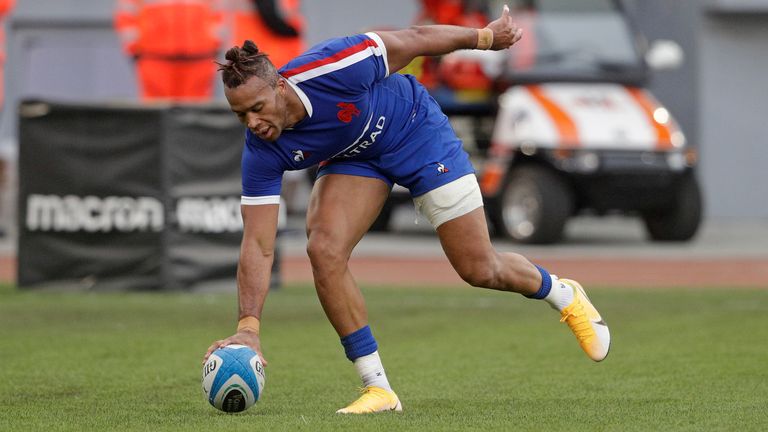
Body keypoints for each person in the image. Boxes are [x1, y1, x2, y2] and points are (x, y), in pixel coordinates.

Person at [204, 5, 610, 414]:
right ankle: (377, 388)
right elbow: (257, 243)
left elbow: (415, 39)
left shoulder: (334, 67)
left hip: (416, 130)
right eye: (240, 115)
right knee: (324, 249)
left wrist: (484, 38)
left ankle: (562, 292)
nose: (252, 122)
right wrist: (247, 328)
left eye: (257, 107)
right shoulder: (261, 151)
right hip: (357, 158)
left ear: (280, 86)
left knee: (479, 268)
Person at [114, 0, 222, 101]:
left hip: (199, 59)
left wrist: (215, 45)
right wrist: (134, 50)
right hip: (154, 59)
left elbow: (221, 12)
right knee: (156, 112)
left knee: (196, 112)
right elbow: (126, 15)